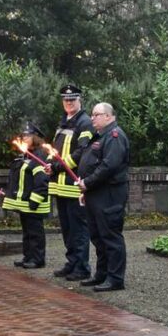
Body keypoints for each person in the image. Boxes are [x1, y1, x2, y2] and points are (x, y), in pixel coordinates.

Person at [77, 102, 130, 292]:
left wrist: (88, 182)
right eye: (92, 115)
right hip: (95, 194)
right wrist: (86, 188)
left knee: (110, 236)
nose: (92, 118)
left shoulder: (115, 136)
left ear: (109, 116)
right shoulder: (99, 136)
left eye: (96, 114)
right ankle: (102, 274)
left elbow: (109, 166)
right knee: (97, 236)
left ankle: (115, 279)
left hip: (109, 194)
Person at [48, 84, 94, 281]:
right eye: (66, 100)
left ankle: (82, 267)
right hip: (61, 184)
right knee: (67, 228)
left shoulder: (84, 123)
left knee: (78, 228)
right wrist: (50, 165)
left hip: (74, 184)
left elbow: (82, 151)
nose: (69, 103)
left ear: (79, 100)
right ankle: (72, 262)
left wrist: (58, 166)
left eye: (72, 100)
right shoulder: (63, 122)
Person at [4, 122, 50, 269]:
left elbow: (42, 181)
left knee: (35, 233)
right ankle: (28, 256)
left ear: (35, 138)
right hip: (25, 203)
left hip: (34, 203)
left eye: (27, 136)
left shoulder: (40, 155)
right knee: (27, 232)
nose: (24, 138)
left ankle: (37, 259)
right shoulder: (26, 154)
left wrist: (34, 201)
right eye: (23, 135)